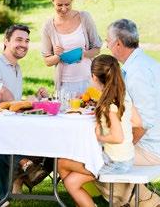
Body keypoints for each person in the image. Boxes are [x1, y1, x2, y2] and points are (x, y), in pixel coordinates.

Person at [97, 19, 160, 206]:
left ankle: (147, 201)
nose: (107, 46)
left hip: (155, 147)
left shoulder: (136, 73)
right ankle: (140, 197)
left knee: (93, 159)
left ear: (118, 43)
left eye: (108, 41)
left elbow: (143, 122)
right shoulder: (149, 63)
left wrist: (123, 150)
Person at [0, 25, 52, 198]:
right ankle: (24, 173)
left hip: (13, 126)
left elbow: (12, 102)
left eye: (27, 41)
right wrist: (20, 103)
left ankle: (25, 176)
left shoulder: (16, 67)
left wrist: (34, 98)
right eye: (19, 40)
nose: (24, 44)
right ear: (6, 41)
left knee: (52, 138)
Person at [58, 54, 134, 207]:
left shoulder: (109, 104)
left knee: (62, 164)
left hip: (115, 161)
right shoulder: (122, 96)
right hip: (125, 156)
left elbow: (118, 137)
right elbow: (136, 121)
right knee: (71, 181)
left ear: (94, 77)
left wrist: (99, 136)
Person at [41, 0, 102, 94]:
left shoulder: (84, 18)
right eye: (59, 5)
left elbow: (97, 49)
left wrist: (82, 54)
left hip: (89, 81)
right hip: (65, 86)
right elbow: (47, 61)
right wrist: (58, 56)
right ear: (52, 1)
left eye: (67, 4)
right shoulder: (48, 26)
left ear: (72, 0)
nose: (64, 9)